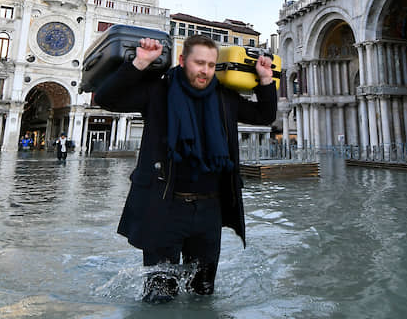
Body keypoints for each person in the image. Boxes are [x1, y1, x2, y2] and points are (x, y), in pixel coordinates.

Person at [94, 34, 277, 303]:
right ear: (182, 61)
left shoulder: (225, 97)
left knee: (203, 293)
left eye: (211, 65)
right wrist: (140, 62)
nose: (205, 70)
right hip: (164, 207)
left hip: (209, 212)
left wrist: (265, 79)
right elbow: (107, 98)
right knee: (159, 296)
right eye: (198, 63)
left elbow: (265, 116)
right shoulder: (158, 91)